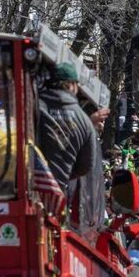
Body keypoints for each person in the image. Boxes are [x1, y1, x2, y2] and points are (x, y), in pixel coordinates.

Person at [36, 63, 97, 191]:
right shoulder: (85, 121)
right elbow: (86, 165)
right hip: (57, 191)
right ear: (70, 85)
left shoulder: (34, 106)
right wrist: (63, 174)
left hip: (25, 187)